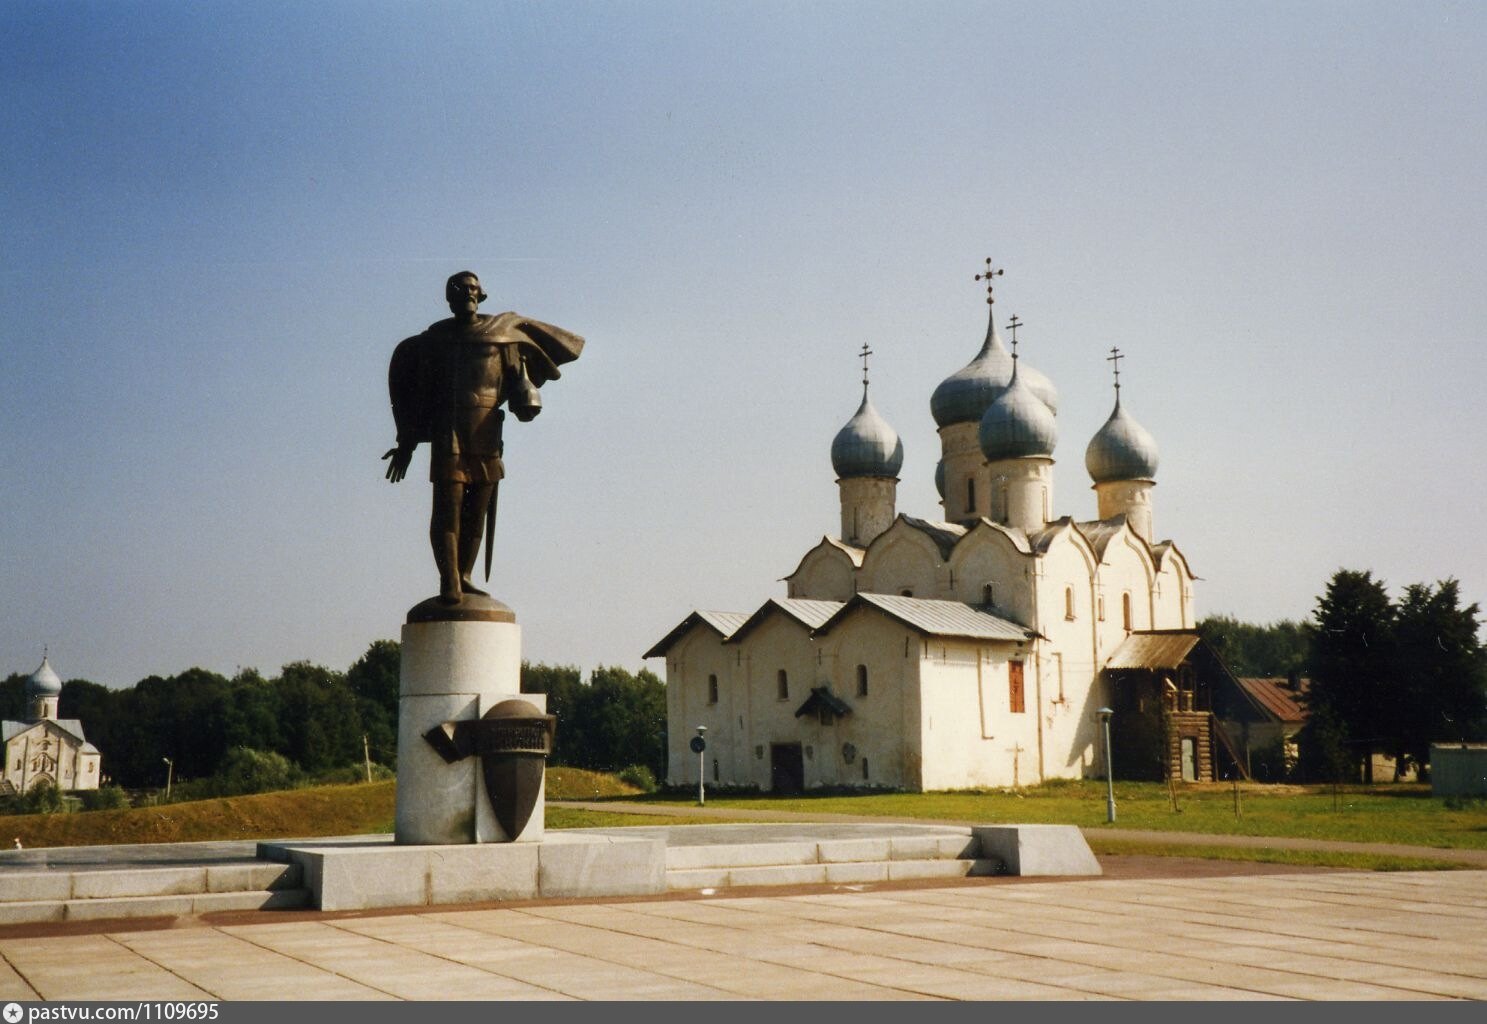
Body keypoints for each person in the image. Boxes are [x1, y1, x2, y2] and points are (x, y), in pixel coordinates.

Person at [385, 272, 583, 604]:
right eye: (460, 290)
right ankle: (449, 580)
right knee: (449, 508)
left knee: (477, 510)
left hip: (487, 430)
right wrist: (406, 442)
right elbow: (417, 395)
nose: (468, 294)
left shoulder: (504, 336)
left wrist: (525, 396)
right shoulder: (432, 342)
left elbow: (522, 392)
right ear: (449, 298)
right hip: (450, 429)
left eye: (473, 289)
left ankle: (464, 574)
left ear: (482, 295)